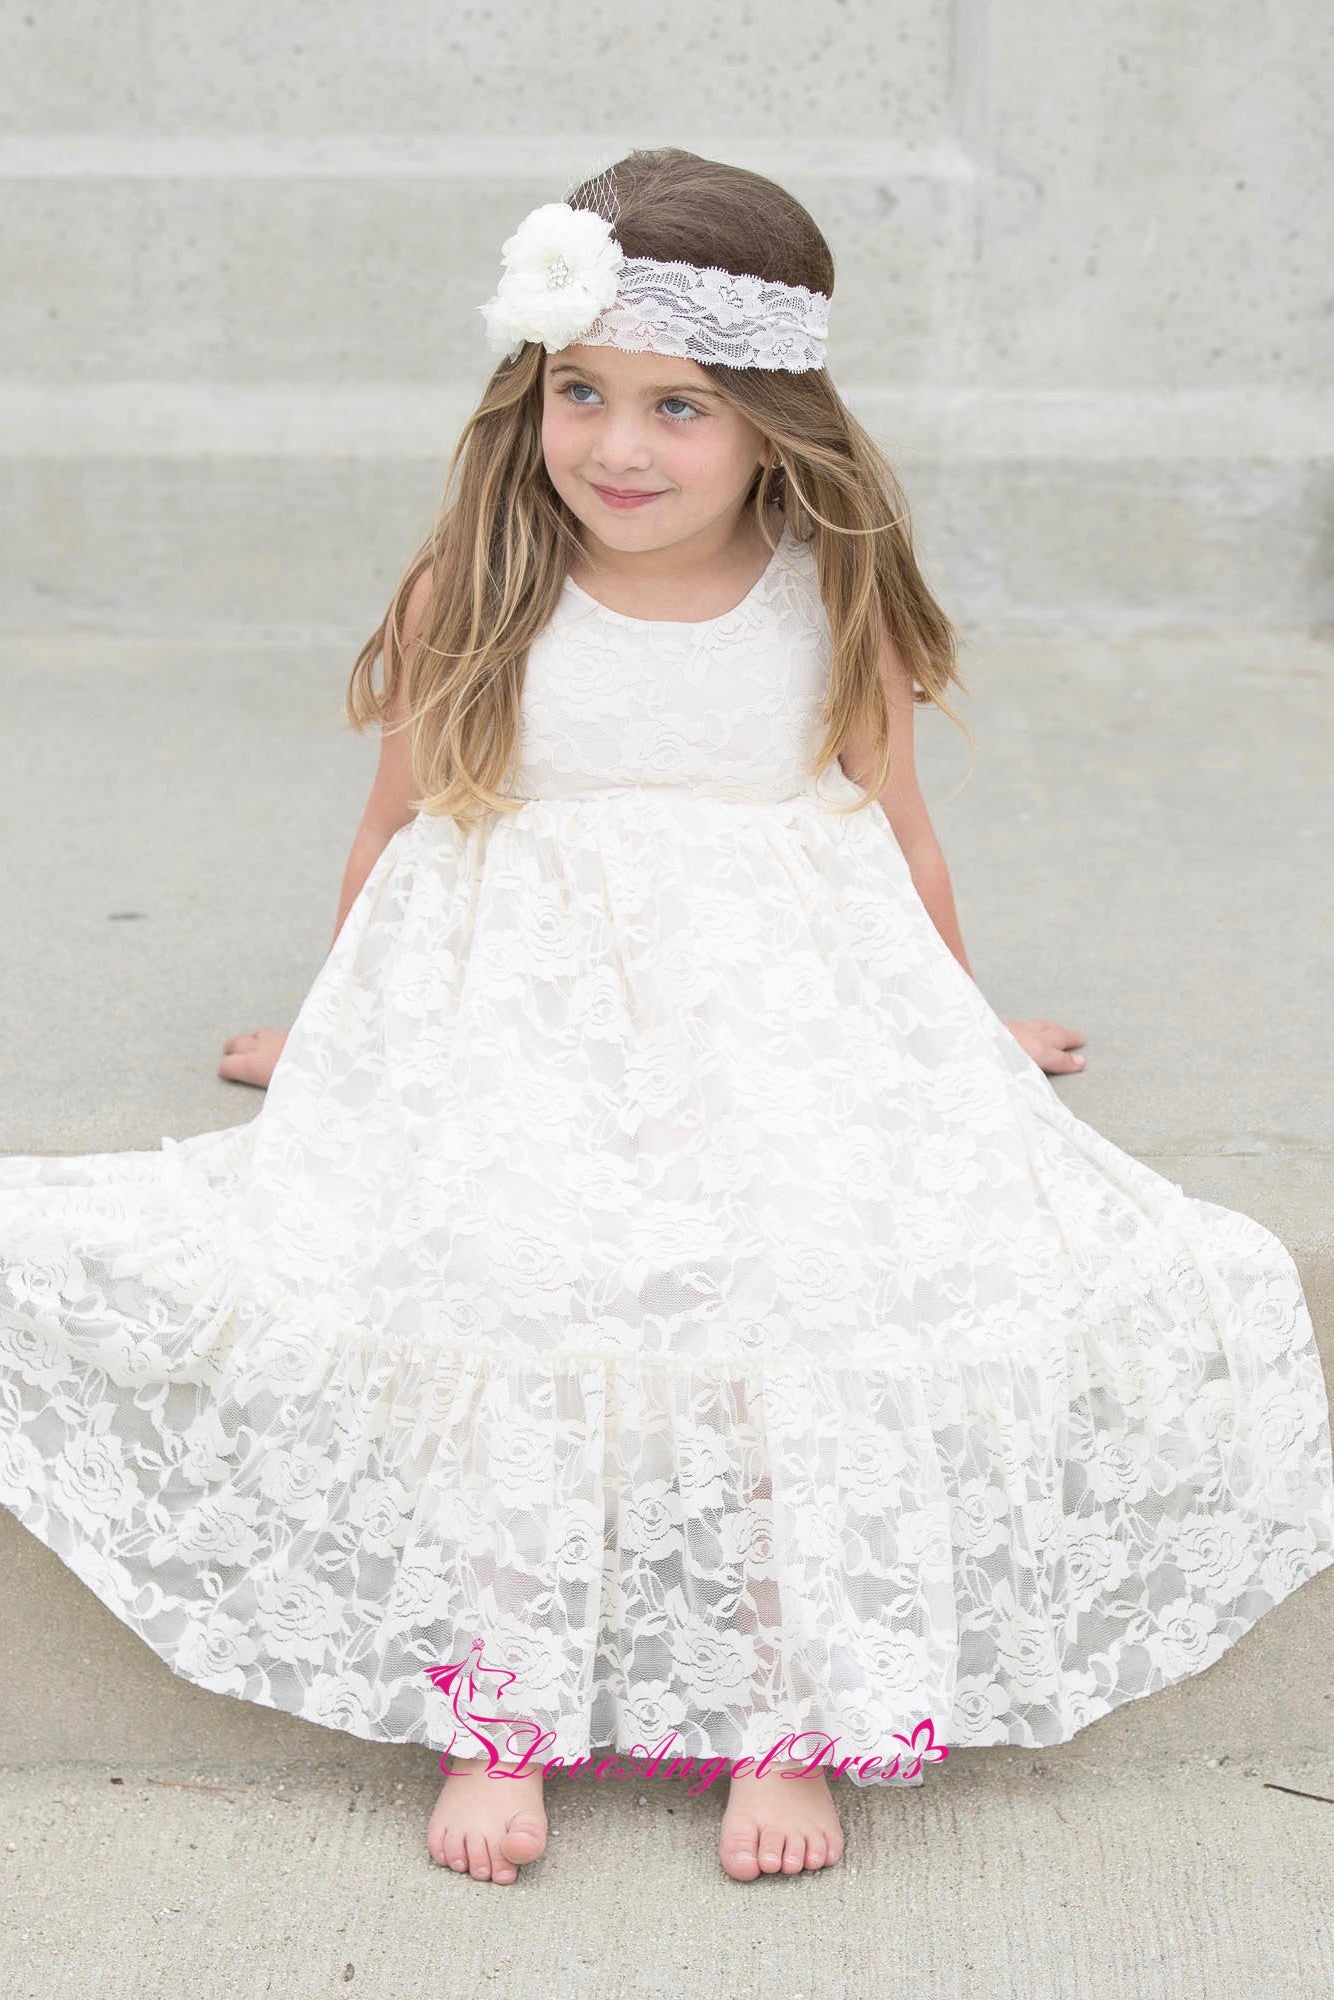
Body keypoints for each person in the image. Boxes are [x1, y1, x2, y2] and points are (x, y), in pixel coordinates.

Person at [3, 149, 1333, 1894]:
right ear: (531, 391)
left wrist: (953, 1033)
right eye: (582, 392)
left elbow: (902, 841)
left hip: (770, 1020)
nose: (616, 446)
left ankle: (782, 1705)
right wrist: (338, 1045)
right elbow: (394, 839)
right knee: (502, 1267)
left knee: (804, 1271)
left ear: (774, 423)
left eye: (677, 406)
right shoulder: (475, 590)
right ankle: (499, 1708)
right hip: (523, 1017)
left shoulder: (825, 598)